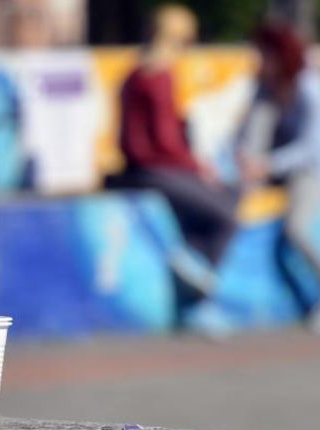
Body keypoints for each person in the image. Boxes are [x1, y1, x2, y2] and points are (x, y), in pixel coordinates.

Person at [106, 5, 237, 298]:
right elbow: (166, 142)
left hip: (141, 166)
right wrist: (199, 167)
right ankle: (201, 280)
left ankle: (192, 265)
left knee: (205, 207)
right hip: (154, 170)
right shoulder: (159, 77)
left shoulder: (134, 74)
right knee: (226, 212)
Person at [235, 21, 320, 335]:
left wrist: (267, 165)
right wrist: (245, 159)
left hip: (312, 170)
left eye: (263, 55)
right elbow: (249, 129)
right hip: (277, 166)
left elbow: (313, 147)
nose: (258, 62)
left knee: (296, 229)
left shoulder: (311, 85)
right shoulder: (267, 84)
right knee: (234, 195)